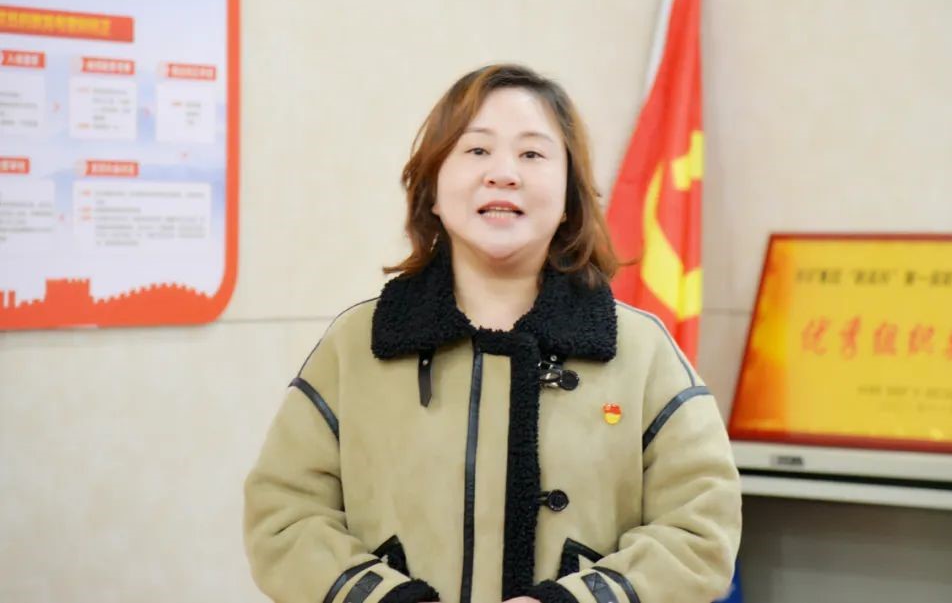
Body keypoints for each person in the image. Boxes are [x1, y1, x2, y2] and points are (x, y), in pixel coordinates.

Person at [243, 64, 742, 603]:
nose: (503, 174)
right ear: (433, 190)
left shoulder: (641, 351)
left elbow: (701, 532)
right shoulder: (357, 344)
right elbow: (284, 517)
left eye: (532, 154)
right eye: (477, 150)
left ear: (570, 197)